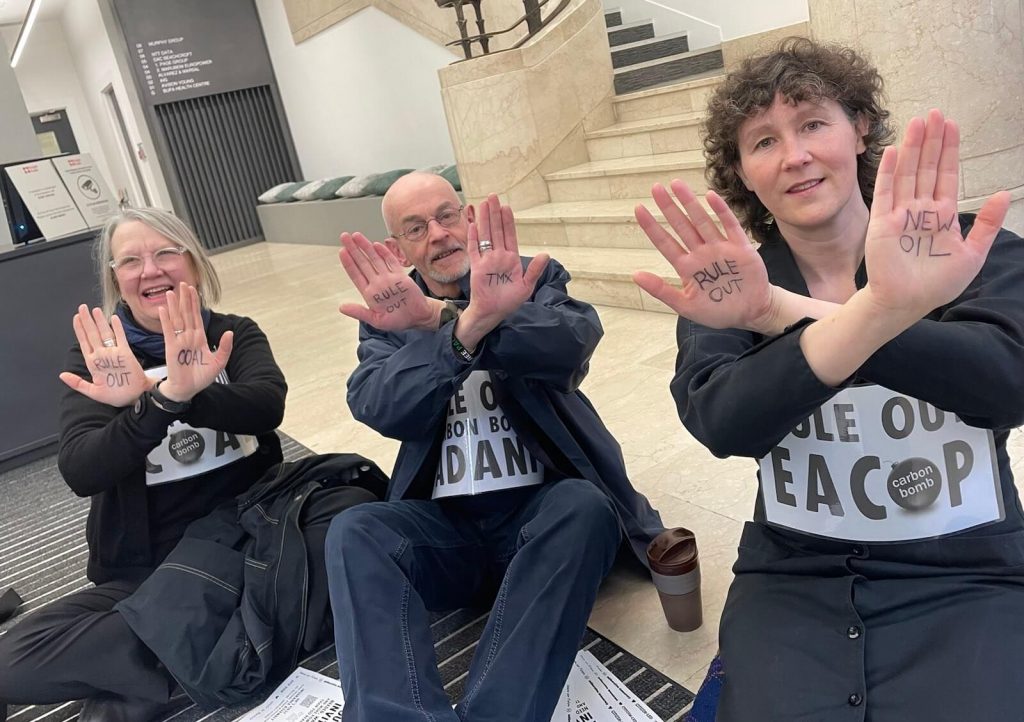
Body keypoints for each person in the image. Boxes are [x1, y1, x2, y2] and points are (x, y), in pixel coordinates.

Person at [633, 37, 1024, 721]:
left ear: (860, 129)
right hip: (793, 580)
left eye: (813, 122)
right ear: (743, 174)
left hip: (968, 573)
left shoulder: (961, 254)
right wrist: (870, 314)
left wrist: (786, 316)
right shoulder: (733, 283)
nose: (795, 155)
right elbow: (725, 421)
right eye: (762, 142)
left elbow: (1007, 383)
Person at [325, 172, 664, 722]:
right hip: (449, 531)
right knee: (356, 531)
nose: (437, 234)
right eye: (416, 227)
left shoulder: (527, 275)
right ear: (398, 249)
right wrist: (456, 338)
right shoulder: (390, 315)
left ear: (467, 218)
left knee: (584, 508)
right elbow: (381, 406)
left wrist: (461, 316)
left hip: (542, 514)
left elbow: (568, 348)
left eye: (446, 215)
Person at [0, 208, 287, 721]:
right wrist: (158, 405)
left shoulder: (231, 334)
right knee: (11, 662)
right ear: (116, 280)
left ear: (194, 264)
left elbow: (266, 406)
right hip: (143, 572)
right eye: (130, 260)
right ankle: (187, 650)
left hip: (240, 552)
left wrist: (188, 392)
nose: (150, 271)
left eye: (165, 254)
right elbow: (82, 470)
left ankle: (164, 657)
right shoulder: (102, 357)